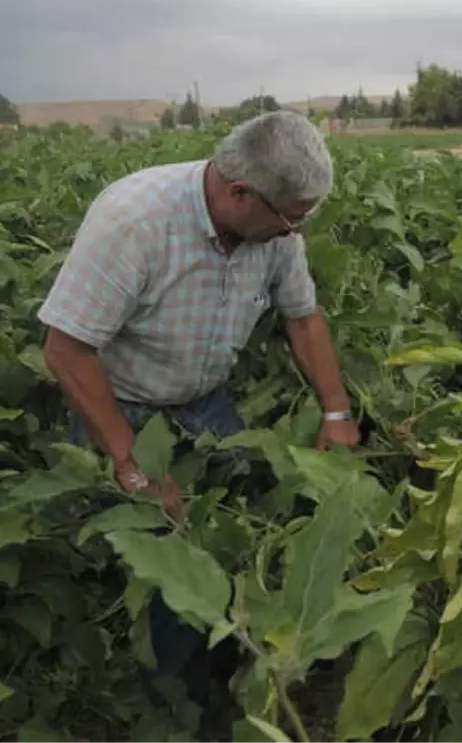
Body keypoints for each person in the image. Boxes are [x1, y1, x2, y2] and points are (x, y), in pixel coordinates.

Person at [37, 109, 361, 719]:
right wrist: (132, 464)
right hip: (124, 407)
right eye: (291, 218)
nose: (297, 232)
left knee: (236, 530)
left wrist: (338, 411)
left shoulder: (276, 228)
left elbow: (302, 315)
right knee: (170, 568)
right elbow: (66, 349)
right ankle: (187, 707)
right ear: (240, 194)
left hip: (207, 403)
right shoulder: (135, 220)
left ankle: (232, 667)